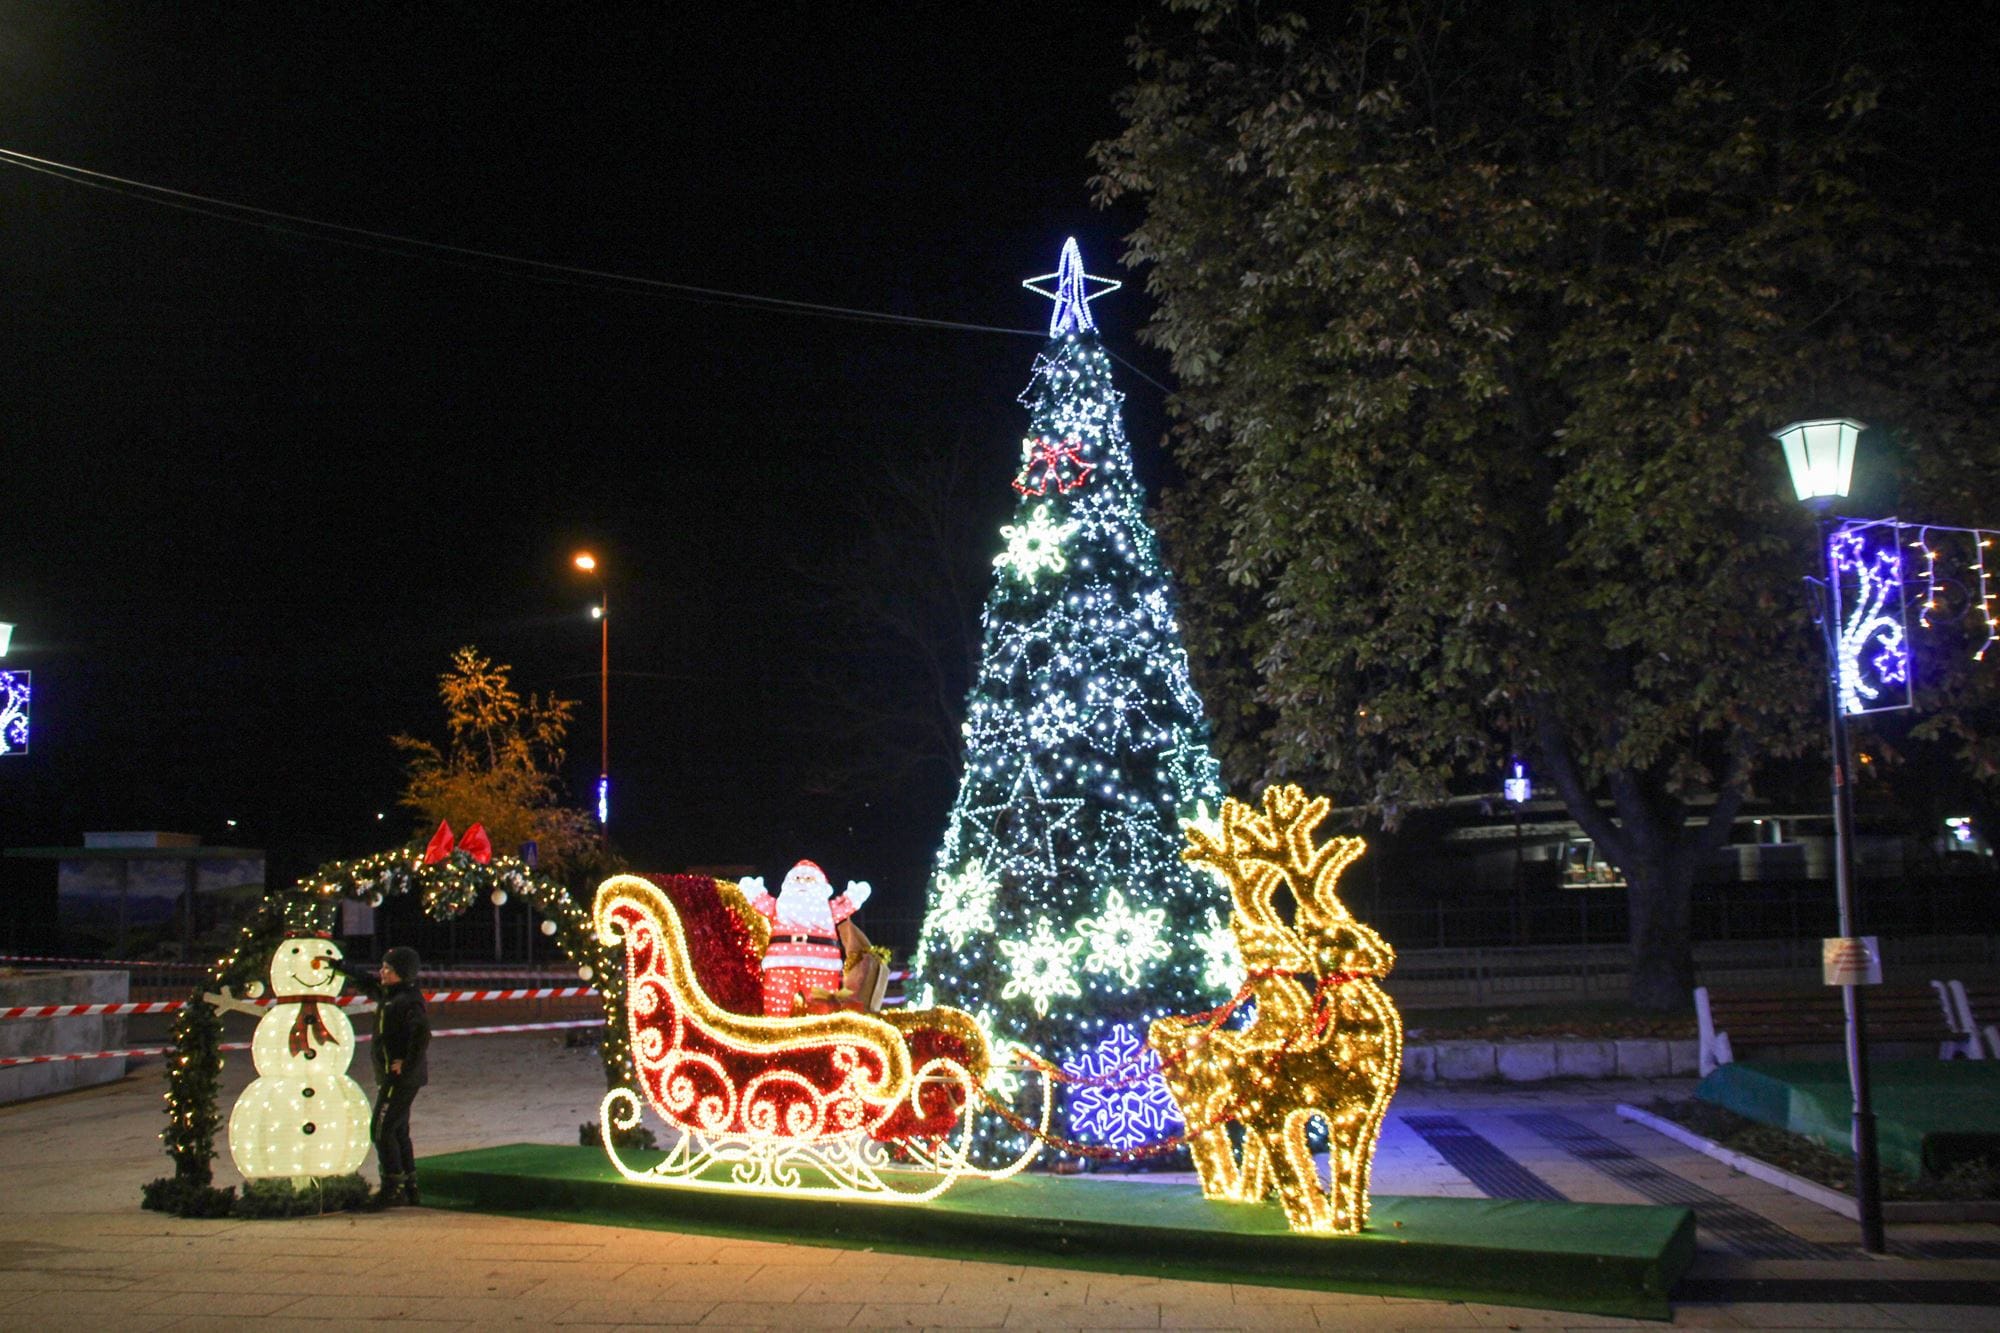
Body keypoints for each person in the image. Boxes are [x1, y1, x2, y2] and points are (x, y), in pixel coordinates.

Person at [331, 945, 431, 1208]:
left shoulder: (408, 1001)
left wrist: (406, 1065)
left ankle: (392, 1186)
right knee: (398, 1130)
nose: (382, 972)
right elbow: (367, 982)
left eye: (388, 969)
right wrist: (341, 966)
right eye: (383, 967)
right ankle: (410, 1187)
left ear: (402, 973)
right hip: (393, 1075)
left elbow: (421, 1035)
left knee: (381, 1129)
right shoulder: (389, 995)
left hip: (400, 1078)